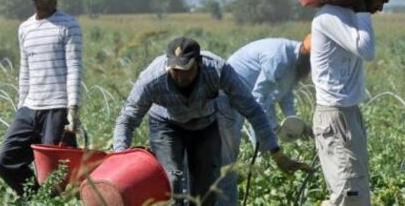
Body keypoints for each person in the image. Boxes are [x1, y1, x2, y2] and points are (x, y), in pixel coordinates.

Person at [113, 36, 311, 206]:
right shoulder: (152, 79)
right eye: (174, 70)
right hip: (166, 125)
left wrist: (276, 153)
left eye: (185, 70)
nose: (179, 76)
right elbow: (127, 118)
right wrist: (119, 161)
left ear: (198, 64)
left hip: (204, 125)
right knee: (173, 180)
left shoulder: (217, 70)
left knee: (206, 191)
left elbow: (252, 109)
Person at [312, 0, 397, 206]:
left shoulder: (347, 13)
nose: (381, 8)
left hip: (349, 114)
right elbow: (366, 49)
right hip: (335, 116)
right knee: (348, 194)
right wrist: (362, 10)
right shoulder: (330, 16)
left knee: (357, 192)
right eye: (381, 0)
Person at [0, 0, 83, 197]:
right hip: (30, 108)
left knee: (55, 174)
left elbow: (74, 68)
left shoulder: (68, 25)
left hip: (57, 108)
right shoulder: (25, 29)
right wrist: (21, 106)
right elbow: (25, 71)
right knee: (6, 160)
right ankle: (36, 200)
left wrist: (72, 109)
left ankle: (51, 200)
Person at [216, 36, 313, 206]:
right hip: (228, 96)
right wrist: (274, 128)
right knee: (227, 155)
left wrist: (296, 123)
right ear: (307, 54)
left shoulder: (294, 63)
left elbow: (286, 95)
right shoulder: (280, 58)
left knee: (259, 146)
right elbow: (258, 99)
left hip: (247, 96)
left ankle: (258, 177)